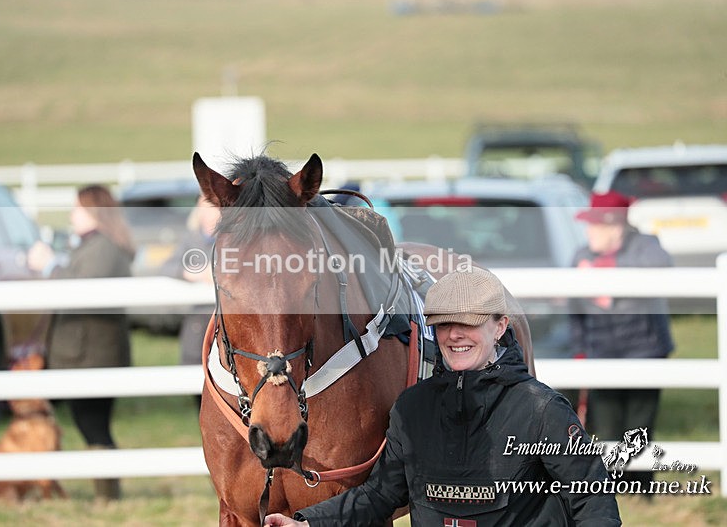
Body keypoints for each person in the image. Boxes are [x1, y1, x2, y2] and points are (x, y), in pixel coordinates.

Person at [265, 266, 621, 526]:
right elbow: (380, 496)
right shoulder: (412, 408)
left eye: (468, 323)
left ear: (499, 326)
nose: (454, 335)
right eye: (445, 324)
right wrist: (308, 523)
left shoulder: (543, 410)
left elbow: (594, 502)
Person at [27, 184, 134, 502]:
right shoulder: (94, 245)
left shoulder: (103, 248)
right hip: (83, 352)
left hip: (92, 354)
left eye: (77, 209)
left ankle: (108, 496)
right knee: (88, 424)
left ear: (93, 211)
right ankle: (99, 493)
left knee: (93, 426)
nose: (72, 216)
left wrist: (49, 266)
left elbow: (81, 291)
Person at [570, 190, 674, 491]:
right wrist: (579, 350)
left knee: (640, 426)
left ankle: (641, 491)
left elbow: (662, 269)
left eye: (595, 225)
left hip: (645, 350)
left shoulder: (645, 247)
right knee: (606, 426)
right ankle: (612, 491)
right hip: (601, 351)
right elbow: (574, 312)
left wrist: (603, 274)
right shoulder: (581, 256)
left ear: (614, 227)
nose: (589, 232)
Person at [161, 196, 219, 373]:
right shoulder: (190, 239)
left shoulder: (232, 239)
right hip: (197, 322)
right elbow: (167, 267)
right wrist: (193, 272)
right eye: (205, 207)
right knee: (193, 367)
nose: (210, 214)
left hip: (223, 318)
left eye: (214, 208)